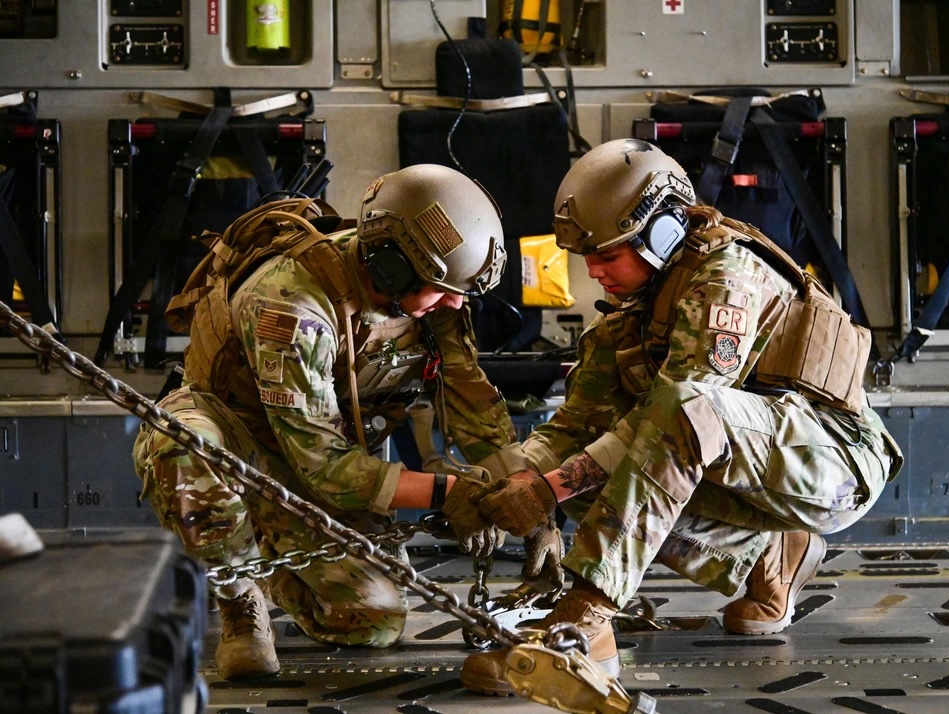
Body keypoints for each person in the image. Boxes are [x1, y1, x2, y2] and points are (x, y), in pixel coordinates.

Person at [460, 138, 904, 695]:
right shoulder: (628, 315)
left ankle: (585, 621)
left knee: (676, 413)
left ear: (663, 232)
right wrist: (507, 482)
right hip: (755, 465)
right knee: (585, 474)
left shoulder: (727, 278)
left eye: (608, 256)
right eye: (587, 258)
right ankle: (771, 559)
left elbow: (685, 411)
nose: (593, 272)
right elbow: (573, 429)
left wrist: (549, 489)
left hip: (835, 464)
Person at [133, 164, 529, 680]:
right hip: (239, 442)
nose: (455, 302)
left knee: (372, 621)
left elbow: (471, 402)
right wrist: (446, 492)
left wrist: (528, 498)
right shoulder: (290, 303)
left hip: (324, 461)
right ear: (391, 267)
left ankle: (263, 549)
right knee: (183, 448)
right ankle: (237, 595)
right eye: (442, 289)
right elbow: (323, 465)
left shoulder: (438, 296)